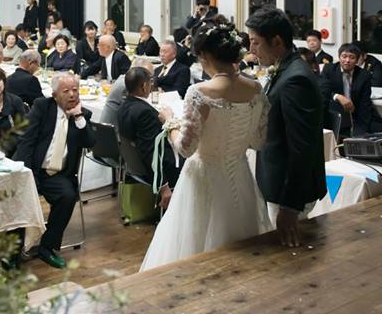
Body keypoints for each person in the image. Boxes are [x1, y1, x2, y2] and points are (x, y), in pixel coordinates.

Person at [139, 21, 270, 271]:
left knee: (194, 253)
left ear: (206, 56)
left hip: (203, 178)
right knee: (241, 254)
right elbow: (258, 141)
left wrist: (170, 123)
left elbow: (186, 149)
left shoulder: (199, 92)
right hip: (240, 175)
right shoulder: (256, 89)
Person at [247, 8, 326, 248]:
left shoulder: (296, 79)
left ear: (277, 41)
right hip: (276, 182)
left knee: (286, 255)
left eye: (256, 42)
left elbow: (302, 147)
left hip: (287, 190)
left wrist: (290, 206)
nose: (251, 49)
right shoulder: (284, 67)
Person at [14, 73, 94, 269]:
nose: (72, 94)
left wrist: (78, 117)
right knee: (18, 198)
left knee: (68, 196)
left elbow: (90, 142)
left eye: (75, 90)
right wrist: (27, 173)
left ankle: (47, 247)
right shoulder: (42, 107)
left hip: (57, 174)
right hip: (34, 168)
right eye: (66, 91)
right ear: (55, 94)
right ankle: (13, 252)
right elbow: (27, 141)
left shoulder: (83, 115)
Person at [117, 67, 181, 209]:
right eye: (150, 82)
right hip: (156, 168)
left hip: (134, 163)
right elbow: (150, 151)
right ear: (144, 86)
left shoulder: (123, 105)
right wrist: (164, 186)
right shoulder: (144, 112)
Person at [320, 43, 382, 139]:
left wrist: (359, 131)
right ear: (339, 57)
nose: (347, 60)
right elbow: (323, 91)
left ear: (357, 60)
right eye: (344, 56)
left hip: (357, 115)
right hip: (335, 115)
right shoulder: (329, 70)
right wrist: (337, 96)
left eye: (352, 57)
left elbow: (365, 104)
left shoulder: (364, 75)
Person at [101, 57, 153, 125]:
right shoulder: (126, 85)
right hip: (113, 128)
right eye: (148, 76)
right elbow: (137, 110)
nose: (150, 82)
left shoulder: (124, 79)